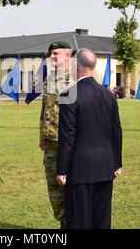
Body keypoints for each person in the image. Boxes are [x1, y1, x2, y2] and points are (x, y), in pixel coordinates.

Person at [56, 48, 123, 229]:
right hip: (105, 167)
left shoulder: (69, 95)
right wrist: (117, 163)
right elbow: (116, 131)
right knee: (102, 220)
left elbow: (67, 135)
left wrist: (61, 170)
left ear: (76, 65)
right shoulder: (109, 95)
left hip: (79, 169)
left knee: (79, 221)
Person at [39, 41, 73, 229]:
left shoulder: (75, 80)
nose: (52, 56)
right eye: (51, 53)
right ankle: (63, 221)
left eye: (56, 53)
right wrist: (42, 136)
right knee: (53, 188)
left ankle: (71, 223)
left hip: (67, 143)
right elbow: (45, 110)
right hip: (50, 142)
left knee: (69, 185)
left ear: (67, 56)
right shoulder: (49, 80)